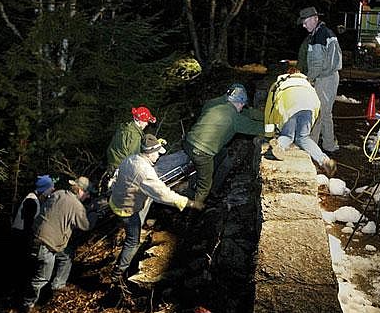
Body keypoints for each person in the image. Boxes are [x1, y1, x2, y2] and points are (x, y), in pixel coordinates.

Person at [109, 134, 202, 281]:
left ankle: (122, 264)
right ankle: (118, 273)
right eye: (158, 153)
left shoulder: (131, 159)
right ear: (150, 152)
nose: (158, 156)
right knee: (133, 241)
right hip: (126, 210)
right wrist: (186, 202)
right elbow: (162, 194)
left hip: (117, 200)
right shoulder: (145, 172)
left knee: (142, 210)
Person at [22, 176, 98, 313]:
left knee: (66, 256)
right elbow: (86, 226)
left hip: (36, 236)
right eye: (87, 193)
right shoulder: (77, 206)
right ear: (80, 190)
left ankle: (58, 285)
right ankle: (28, 305)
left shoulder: (59, 193)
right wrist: (93, 213)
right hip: (46, 244)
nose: (88, 196)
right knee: (42, 278)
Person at [183, 83, 264, 206]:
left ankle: (203, 183)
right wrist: (276, 127)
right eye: (242, 105)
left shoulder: (216, 104)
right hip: (202, 152)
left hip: (188, 142)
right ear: (239, 103)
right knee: (205, 184)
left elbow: (247, 113)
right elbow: (257, 128)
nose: (243, 107)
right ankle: (194, 208)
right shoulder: (235, 118)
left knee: (222, 154)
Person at [265, 66, 337, 176]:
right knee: (303, 137)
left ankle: (279, 146)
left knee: (288, 136)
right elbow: (317, 108)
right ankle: (324, 160)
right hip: (310, 107)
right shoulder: (307, 84)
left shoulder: (279, 84)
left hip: (290, 105)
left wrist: (269, 134)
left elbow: (269, 110)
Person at [297, 6, 342, 153]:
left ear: (315, 18)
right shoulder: (323, 33)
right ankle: (328, 144)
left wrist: (308, 80)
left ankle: (312, 145)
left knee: (319, 112)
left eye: (305, 21)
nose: (303, 25)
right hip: (328, 77)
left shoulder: (319, 36)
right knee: (325, 112)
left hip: (325, 79)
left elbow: (317, 64)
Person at [106, 105, 157, 174]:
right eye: (146, 121)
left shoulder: (126, 127)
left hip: (113, 164)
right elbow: (134, 157)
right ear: (139, 121)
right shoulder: (134, 135)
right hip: (121, 169)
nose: (147, 124)